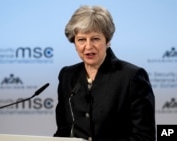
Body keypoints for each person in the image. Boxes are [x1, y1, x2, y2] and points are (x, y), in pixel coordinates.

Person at [53, 5, 155, 141]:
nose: (88, 46)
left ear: (107, 41)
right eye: (81, 39)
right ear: (74, 42)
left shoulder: (131, 76)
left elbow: (144, 136)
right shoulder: (68, 76)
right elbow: (63, 131)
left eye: (95, 39)